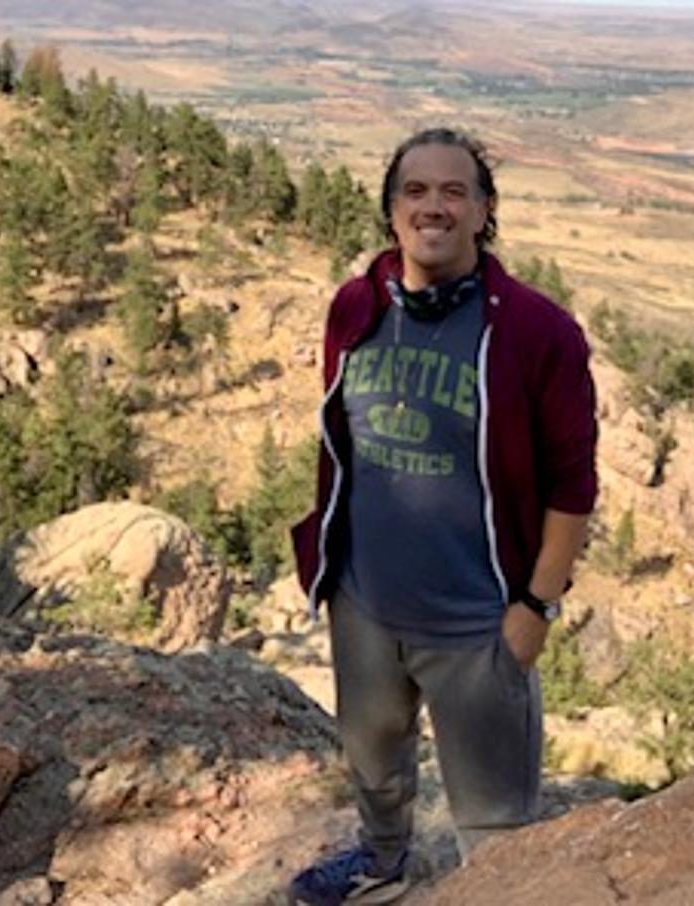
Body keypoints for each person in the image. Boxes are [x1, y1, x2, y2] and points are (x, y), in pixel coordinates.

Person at [288, 127, 598, 906]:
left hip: (475, 625)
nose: (434, 206)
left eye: (454, 191)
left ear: (484, 210)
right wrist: (334, 574)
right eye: (415, 191)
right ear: (391, 210)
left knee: (494, 831)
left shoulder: (534, 331)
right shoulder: (355, 306)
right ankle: (380, 866)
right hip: (365, 604)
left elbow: (571, 485)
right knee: (374, 766)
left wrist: (534, 606)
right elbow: (343, 441)